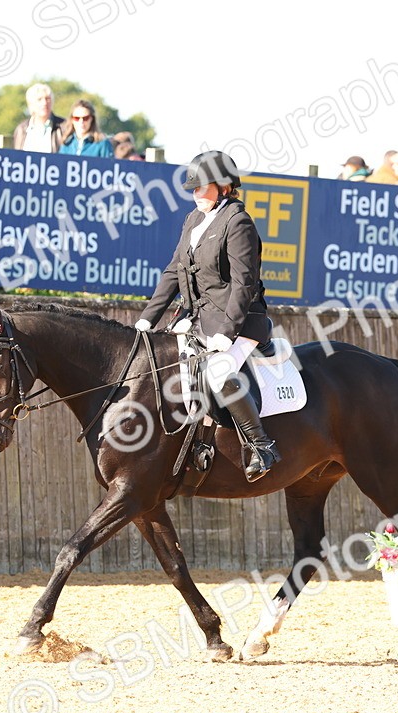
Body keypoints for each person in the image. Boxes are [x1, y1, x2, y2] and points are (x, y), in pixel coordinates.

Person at [134, 151, 281, 482]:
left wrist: (227, 332)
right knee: (174, 370)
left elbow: (244, 283)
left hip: (241, 321)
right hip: (199, 318)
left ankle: (262, 447)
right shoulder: (193, 221)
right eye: (193, 188)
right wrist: (148, 317)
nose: (196, 193)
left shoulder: (237, 222)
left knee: (217, 372)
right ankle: (197, 446)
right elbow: (174, 270)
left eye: (203, 187)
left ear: (225, 186)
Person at [12, 83, 64, 152]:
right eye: (39, 99)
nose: (45, 103)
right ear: (31, 104)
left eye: (47, 98)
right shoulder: (21, 129)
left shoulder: (63, 127)